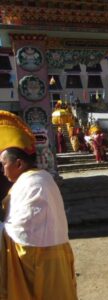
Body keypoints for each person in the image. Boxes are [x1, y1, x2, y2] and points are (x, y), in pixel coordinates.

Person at [0, 110, 77, 300]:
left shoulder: (35, 183)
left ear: (18, 164)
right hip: (46, 256)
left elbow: (24, 231)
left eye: (3, 165)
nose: (2, 171)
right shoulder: (31, 179)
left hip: (42, 261)